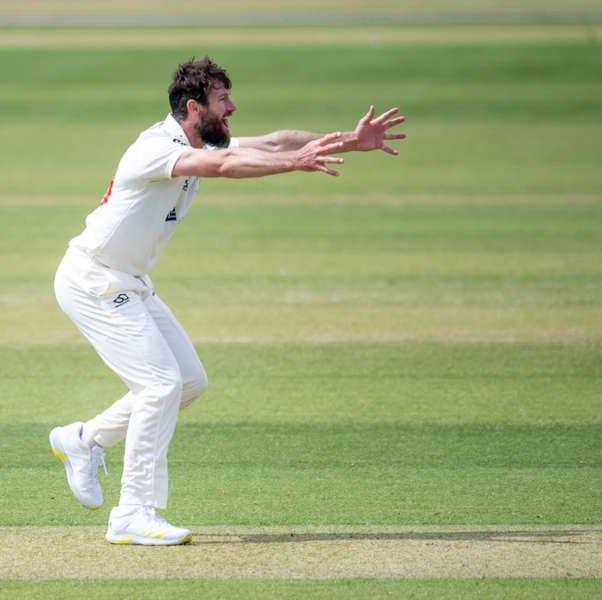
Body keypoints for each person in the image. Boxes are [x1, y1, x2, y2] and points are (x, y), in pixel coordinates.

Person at [50, 56, 406, 546]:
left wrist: (350, 139)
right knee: (159, 386)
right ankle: (131, 514)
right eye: (223, 101)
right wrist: (295, 165)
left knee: (188, 382)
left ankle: (84, 440)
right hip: (93, 280)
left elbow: (275, 140)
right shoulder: (155, 149)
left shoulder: (197, 137)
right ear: (193, 107)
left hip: (128, 279)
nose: (233, 108)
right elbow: (224, 164)